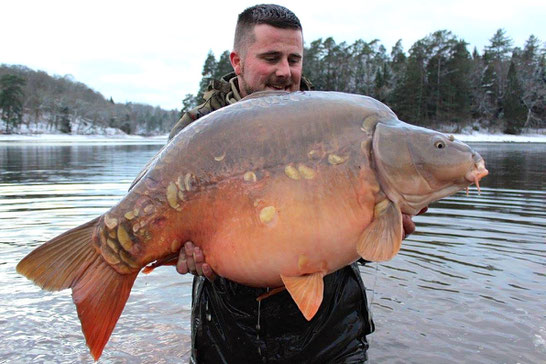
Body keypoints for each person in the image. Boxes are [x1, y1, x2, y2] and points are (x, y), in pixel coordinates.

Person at [169, 4, 421, 363]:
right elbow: (174, 229)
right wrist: (181, 250)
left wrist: (383, 231)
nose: (285, 72)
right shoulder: (197, 131)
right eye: (271, 58)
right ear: (237, 61)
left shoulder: (337, 126)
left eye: (294, 58)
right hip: (229, 322)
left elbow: (351, 240)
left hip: (331, 321)